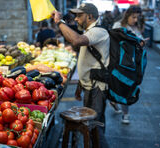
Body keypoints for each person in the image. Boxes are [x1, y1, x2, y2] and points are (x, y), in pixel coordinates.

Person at [52, 3, 110, 147]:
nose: (76, 19)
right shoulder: (90, 32)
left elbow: (76, 40)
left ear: (90, 16)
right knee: (91, 124)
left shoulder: (98, 32)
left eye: (79, 15)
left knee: (94, 126)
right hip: (90, 86)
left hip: (97, 88)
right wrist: (80, 85)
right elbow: (88, 63)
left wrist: (60, 22)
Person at [111, 6, 144, 124]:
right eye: (133, 17)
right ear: (127, 15)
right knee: (123, 88)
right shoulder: (118, 25)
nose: (135, 20)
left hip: (133, 65)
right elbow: (114, 43)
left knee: (126, 88)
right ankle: (124, 113)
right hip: (120, 64)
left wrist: (141, 43)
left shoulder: (137, 28)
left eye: (137, 18)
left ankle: (118, 105)